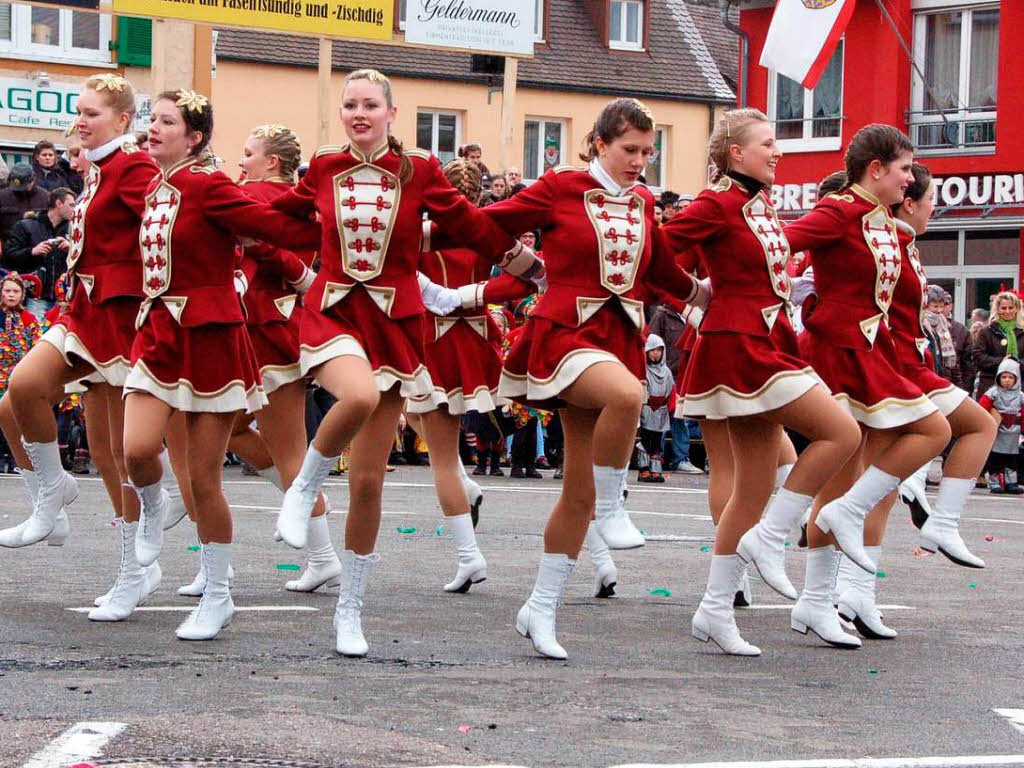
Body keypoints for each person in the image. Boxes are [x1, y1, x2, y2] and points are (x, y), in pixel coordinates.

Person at [270, 69, 542, 658]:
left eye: (370, 105)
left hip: (394, 322)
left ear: (392, 113)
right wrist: (223, 222)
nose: (359, 113)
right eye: (350, 105)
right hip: (335, 310)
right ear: (340, 113)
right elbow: (285, 219)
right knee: (356, 395)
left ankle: (351, 609)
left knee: (368, 481)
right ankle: (305, 488)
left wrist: (518, 259)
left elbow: (466, 223)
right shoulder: (321, 166)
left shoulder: (418, 169)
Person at [481, 97, 706, 658]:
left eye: (648, 153)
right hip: (565, 333)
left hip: (617, 337)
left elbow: (659, 272)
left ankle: (540, 606)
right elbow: (489, 225)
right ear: (601, 143)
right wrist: (523, 266)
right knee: (629, 395)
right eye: (630, 150)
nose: (639, 161)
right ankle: (614, 506)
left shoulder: (645, 201)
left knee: (575, 490)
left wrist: (705, 298)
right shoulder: (560, 186)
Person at [120, 89, 321, 641]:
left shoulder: (209, 185)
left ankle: (218, 593)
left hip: (209, 338)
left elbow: (271, 227)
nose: (154, 128)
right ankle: (152, 506)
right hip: (158, 332)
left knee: (205, 480)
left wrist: (326, 211)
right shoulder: (154, 185)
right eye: (152, 120)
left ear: (196, 137)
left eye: (168, 122)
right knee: (136, 449)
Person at [658, 108, 860, 655]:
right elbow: (655, 250)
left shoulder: (757, 202)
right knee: (843, 433)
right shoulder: (715, 202)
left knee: (750, 487)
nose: (778, 151)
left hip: (766, 341)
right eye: (768, 143)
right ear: (736, 153)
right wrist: (696, 294)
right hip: (739, 345)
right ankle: (771, 538)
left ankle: (714, 610)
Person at [784, 124, 953, 648]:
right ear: (876, 169)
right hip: (840, 354)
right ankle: (780, 556)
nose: (911, 179)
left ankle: (821, 598)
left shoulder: (877, 217)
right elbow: (783, 244)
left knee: (853, 468)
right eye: (905, 169)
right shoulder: (840, 210)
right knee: (929, 431)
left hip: (870, 353)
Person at [408, 157, 537, 589]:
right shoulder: (483, 231)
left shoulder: (427, 232)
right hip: (474, 338)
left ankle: (469, 556)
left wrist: (453, 294)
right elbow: (526, 278)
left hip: (437, 340)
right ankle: (469, 484)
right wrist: (472, 293)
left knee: (440, 457)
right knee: (413, 413)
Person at [224, 123, 340, 597]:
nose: (241, 161)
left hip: (257, 327)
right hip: (280, 325)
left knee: (287, 451)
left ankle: (322, 553)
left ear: (272, 161)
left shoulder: (251, 194)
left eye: (249, 153)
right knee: (228, 431)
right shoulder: (304, 203)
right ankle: (309, 530)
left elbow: (261, 254)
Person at [2, 187, 75, 318]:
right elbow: (9, 256)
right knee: (36, 335)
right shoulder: (26, 225)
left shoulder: (73, 229)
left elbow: (88, 256)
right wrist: (32, 251)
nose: (74, 209)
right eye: (71, 205)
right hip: (35, 297)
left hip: (64, 297)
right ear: (58, 203)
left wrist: (72, 249)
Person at [648, 302, 702, 474]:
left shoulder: (693, 316)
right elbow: (651, 343)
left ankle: (681, 458)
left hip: (685, 374)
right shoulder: (661, 315)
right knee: (659, 418)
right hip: (663, 374)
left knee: (680, 418)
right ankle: (655, 458)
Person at [978, 358, 1024, 495]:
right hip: (997, 431)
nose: (1007, 380)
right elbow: (981, 409)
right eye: (1004, 377)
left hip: (1013, 433)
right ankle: (996, 482)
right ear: (998, 377)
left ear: (1017, 378)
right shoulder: (993, 393)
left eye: (1011, 377)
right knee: (996, 458)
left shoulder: (1020, 396)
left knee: (1011, 460)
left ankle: (1011, 483)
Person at [971, 291, 1024, 396]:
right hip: (990, 386)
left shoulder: (1022, 331)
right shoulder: (986, 331)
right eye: (1003, 308)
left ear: (1017, 309)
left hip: (1020, 387)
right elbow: (977, 356)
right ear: (997, 309)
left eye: (1011, 308)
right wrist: (1001, 361)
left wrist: (1016, 364)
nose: (1007, 311)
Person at [637, 333, 673, 483]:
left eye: (659, 350)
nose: (656, 353)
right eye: (652, 350)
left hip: (661, 410)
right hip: (647, 408)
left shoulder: (667, 372)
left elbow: (671, 390)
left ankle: (656, 470)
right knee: (646, 439)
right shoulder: (643, 370)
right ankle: (643, 470)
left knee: (658, 442)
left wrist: (671, 408)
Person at [0, 163, 49, 241]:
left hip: (37, 245)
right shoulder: (2, 196)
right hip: (9, 245)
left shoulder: (46, 197)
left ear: (33, 180)